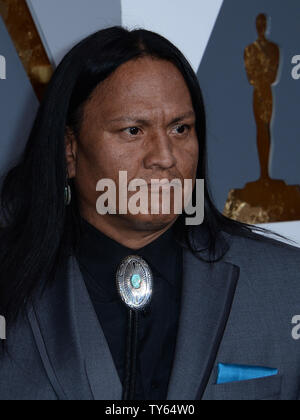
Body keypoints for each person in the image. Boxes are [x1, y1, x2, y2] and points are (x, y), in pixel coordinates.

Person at [0, 26, 299, 401]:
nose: (164, 156)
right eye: (133, 130)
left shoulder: (290, 287)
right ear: (69, 150)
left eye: (180, 128)